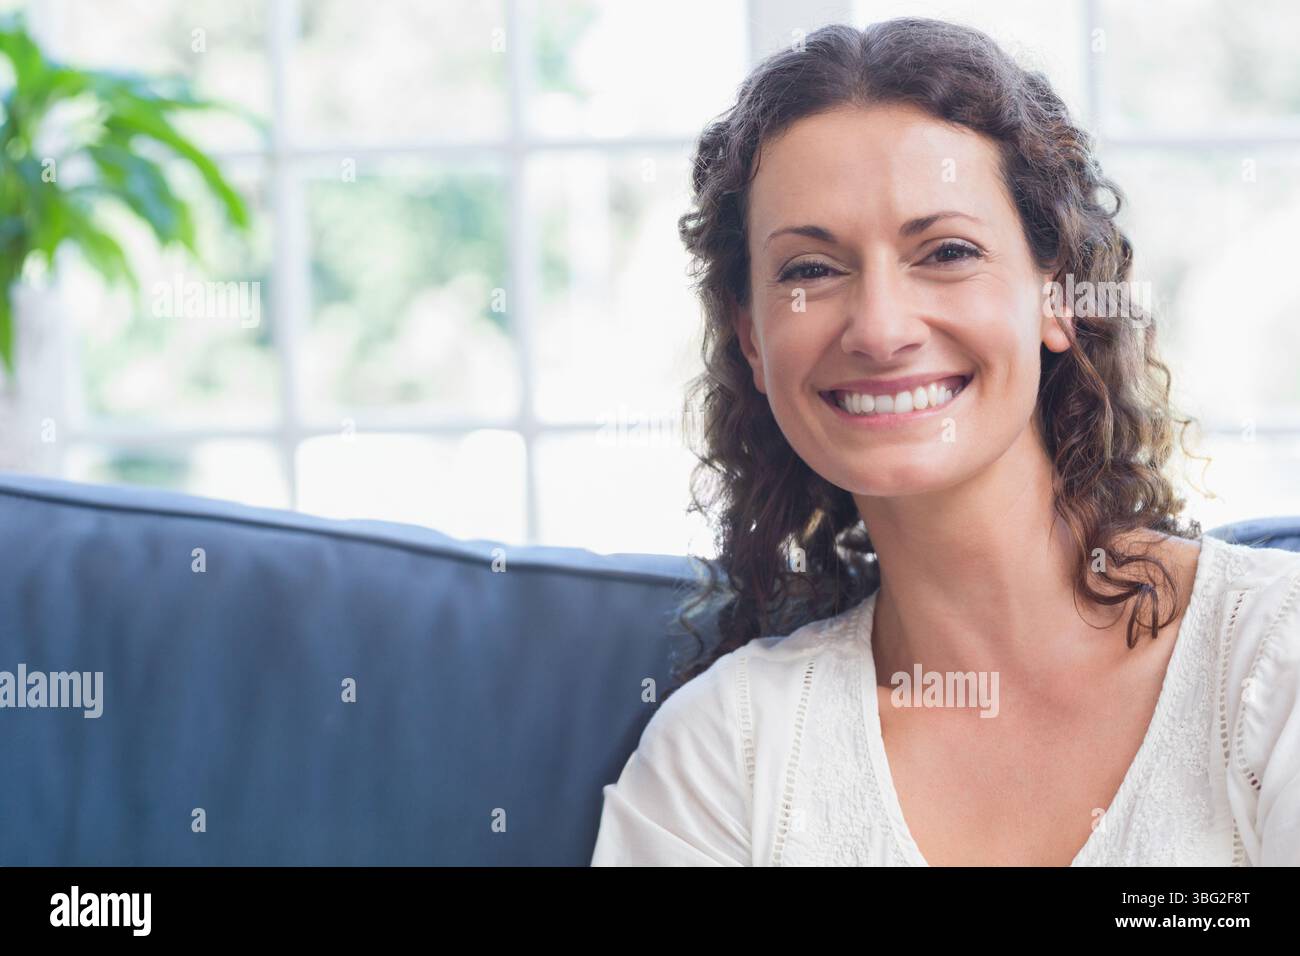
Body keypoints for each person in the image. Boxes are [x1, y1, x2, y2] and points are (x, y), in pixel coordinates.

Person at [590, 17, 1300, 866]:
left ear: (1057, 296)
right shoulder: (721, 761)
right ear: (751, 335)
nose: (881, 329)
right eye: (811, 270)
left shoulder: (1273, 659)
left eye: (948, 251)